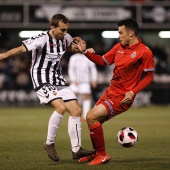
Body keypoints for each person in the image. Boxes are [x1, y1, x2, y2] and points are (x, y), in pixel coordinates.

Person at [0, 14, 95, 162]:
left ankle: (76, 149)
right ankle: (49, 143)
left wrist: (83, 50)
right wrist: (3, 55)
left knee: (76, 110)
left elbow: (71, 47)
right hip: (41, 78)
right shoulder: (41, 38)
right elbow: (20, 49)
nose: (65, 33)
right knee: (61, 107)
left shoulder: (66, 37)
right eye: (62, 30)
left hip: (57, 78)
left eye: (67, 30)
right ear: (52, 28)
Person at [76, 18, 154, 165]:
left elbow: (149, 77)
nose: (119, 36)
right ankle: (96, 153)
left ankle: (103, 155)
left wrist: (132, 92)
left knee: (91, 117)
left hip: (123, 96)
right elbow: (102, 61)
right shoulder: (118, 47)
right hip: (111, 91)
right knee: (94, 121)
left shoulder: (144, 52)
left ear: (131, 33)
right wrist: (85, 52)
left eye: (121, 32)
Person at [68, 53, 98, 121]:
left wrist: (94, 79)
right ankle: (73, 114)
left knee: (86, 97)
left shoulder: (88, 57)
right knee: (72, 97)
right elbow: (71, 69)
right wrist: (73, 79)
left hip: (85, 81)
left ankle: (85, 116)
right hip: (75, 82)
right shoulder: (73, 57)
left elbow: (93, 69)